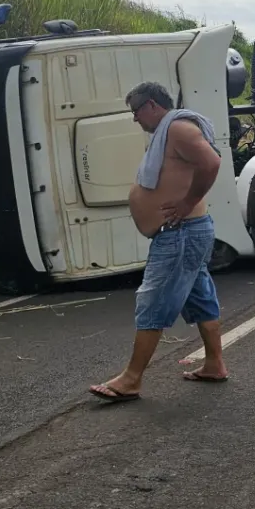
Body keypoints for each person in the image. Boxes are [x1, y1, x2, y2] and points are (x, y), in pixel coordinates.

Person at [91, 82, 226, 403]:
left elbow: (211, 162)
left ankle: (131, 379)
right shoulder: (170, 132)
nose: (135, 119)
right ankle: (214, 364)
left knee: (153, 301)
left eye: (136, 111)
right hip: (185, 232)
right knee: (200, 299)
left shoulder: (178, 128)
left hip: (181, 233)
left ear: (152, 105)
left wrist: (187, 202)